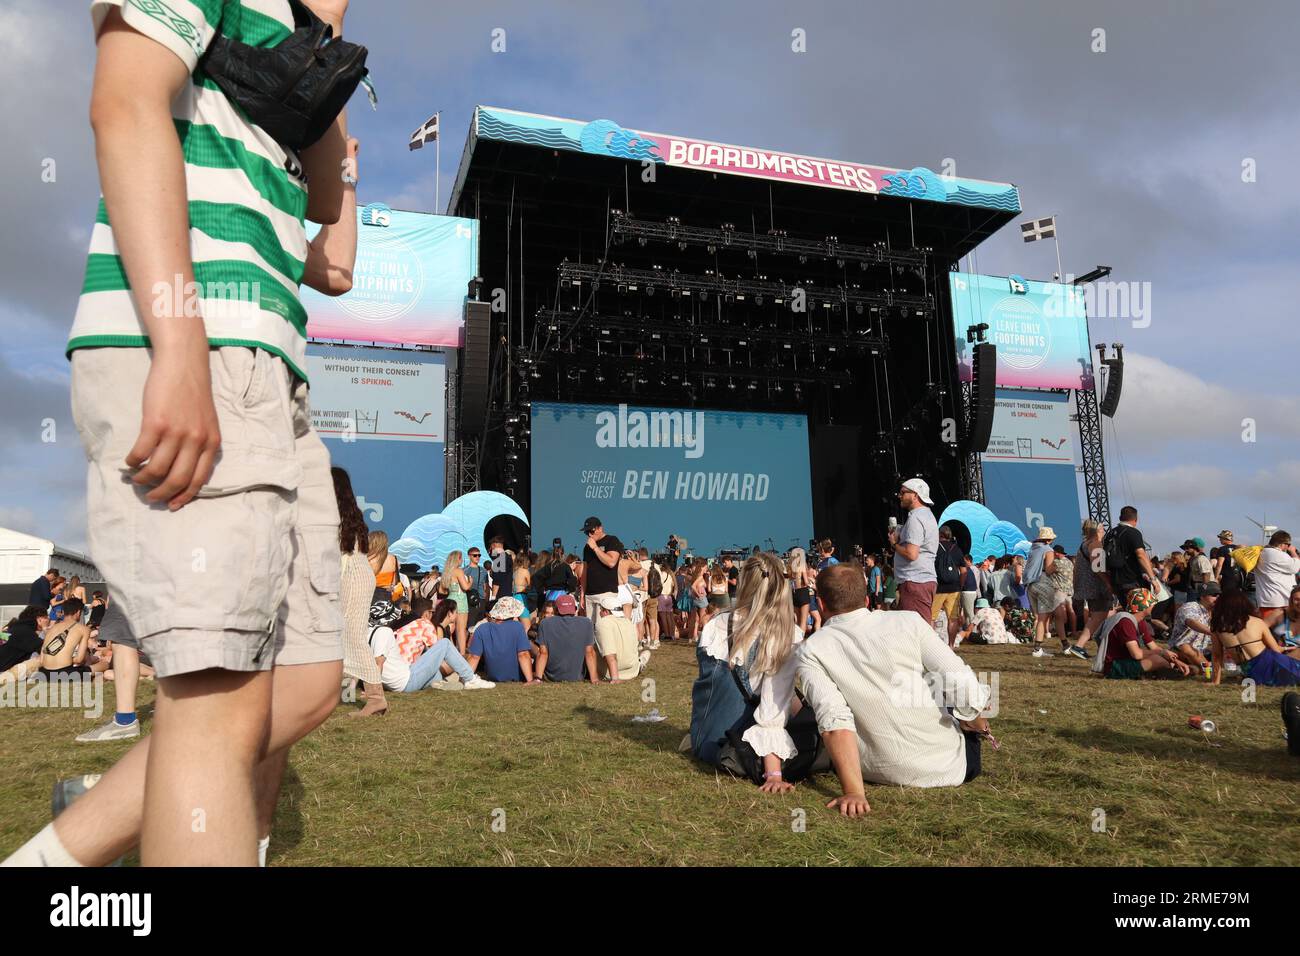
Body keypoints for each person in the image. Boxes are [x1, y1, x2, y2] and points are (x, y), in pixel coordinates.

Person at [2, 0, 364, 870]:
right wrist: (180, 345)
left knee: (308, 685)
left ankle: (60, 859)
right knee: (215, 706)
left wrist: (333, 118)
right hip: (192, 343)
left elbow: (335, 255)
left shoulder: (301, 39)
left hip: (273, 378)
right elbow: (123, 101)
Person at [797, 565, 992, 815]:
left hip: (874, 769)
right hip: (951, 766)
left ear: (821, 604)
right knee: (952, 704)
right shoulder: (908, 621)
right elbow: (961, 682)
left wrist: (855, 791)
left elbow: (834, 720)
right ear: (867, 599)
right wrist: (976, 723)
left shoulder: (812, 650)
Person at [689, 551, 808, 792]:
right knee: (788, 699)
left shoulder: (715, 625)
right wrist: (773, 773)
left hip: (707, 736)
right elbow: (771, 709)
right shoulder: (788, 634)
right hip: (737, 744)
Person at [332, 467, 386, 718]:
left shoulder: (335, 515)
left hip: (352, 578)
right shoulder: (353, 515)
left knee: (352, 636)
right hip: (359, 576)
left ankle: (376, 698)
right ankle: (338, 694)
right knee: (344, 635)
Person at [369, 599, 493, 693]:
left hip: (393, 680)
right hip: (406, 678)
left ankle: (440, 683)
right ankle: (470, 679)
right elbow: (439, 654)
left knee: (436, 674)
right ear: (427, 613)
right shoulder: (422, 624)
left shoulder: (375, 634)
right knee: (444, 645)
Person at [1211, 589, 1300, 686]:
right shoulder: (1257, 622)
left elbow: (1217, 655)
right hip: (1275, 665)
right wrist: (1287, 648)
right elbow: (1276, 651)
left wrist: (1216, 681)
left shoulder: (1217, 627)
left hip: (1251, 673)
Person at [1097, 589, 1191, 679]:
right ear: (1144, 605)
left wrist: (1174, 660)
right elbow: (1136, 654)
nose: (1154, 605)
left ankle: (1167, 671)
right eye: (1151, 603)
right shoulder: (1125, 622)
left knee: (1163, 658)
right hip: (1114, 666)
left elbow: (1153, 647)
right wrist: (1162, 653)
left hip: (1127, 661)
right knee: (1157, 659)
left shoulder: (1139, 621)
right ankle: (1170, 673)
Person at [889, 477, 939, 619]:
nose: (900, 495)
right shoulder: (927, 515)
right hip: (920, 580)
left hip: (915, 581)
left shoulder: (915, 519)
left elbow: (911, 554)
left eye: (903, 492)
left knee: (917, 629)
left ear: (915, 495)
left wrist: (894, 544)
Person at [467, 597, 539, 683]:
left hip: (492, 677)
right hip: (516, 677)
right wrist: (530, 680)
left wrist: (467, 680)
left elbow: (474, 657)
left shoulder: (482, 628)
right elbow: (523, 655)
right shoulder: (517, 627)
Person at [1100, 505, 1161, 606]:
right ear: (1135, 519)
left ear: (1120, 518)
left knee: (1128, 613)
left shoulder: (1110, 534)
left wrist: (1109, 583)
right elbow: (1141, 555)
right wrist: (1153, 579)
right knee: (1141, 614)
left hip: (1117, 581)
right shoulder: (1133, 533)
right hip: (1133, 581)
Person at [1066, 519, 1109, 660]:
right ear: (1096, 531)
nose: (1103, 531)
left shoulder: (1084, 544)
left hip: (1087, 586)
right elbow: (1098, 568)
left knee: (1097, 617)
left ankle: (1101, 646)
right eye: (1102, 529)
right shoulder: (1095, 544)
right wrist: (1109, 583)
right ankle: (1079, 645)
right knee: (1098, 616)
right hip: (1097, 586)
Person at [535, 594, 599, 683]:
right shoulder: (586, 623)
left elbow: (543, 653)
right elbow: (590, 652)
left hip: (551, 677)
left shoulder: (545, 623)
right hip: (577, 677)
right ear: (574, 609)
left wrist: (538, 679)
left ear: (556, 610)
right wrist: (595, 679)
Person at [593, 591, 649, 682]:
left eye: (601, 610)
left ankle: (639, 662)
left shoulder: (603, 623)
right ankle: (639, 662)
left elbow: (610, 653)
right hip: (632, 670)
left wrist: (615, 678)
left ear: (606, 611)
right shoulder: (629, 622)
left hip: (608, 672)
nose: (599, 613)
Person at [1024, 527, 1062, 656]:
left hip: (1030, 585)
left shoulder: (1033, 548)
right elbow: (1049, 569)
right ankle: (1037, 649)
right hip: (1042, 582)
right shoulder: (1048, 550)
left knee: (1038, 617)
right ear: (1049, 539)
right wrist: (1057, 567)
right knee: (1042, 619)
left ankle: (1037, 647)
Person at [1169, 583, 1220, 673]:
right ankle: (1208, 671)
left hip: (1203, 651)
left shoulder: (1215, 612)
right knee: (1186, 647)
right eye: (1214, 595)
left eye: (1220, 595)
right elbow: (1191, 622)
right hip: (1181, 650)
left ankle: (1193, 668)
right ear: (1202, 596)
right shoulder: (1190, 606)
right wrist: (1212, 632)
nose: (1218, 598)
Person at [1254, 531, 1300, 628]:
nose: (1288, 547)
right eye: (1288, 545)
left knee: (1267, 631)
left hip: (1265, 599)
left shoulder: (1261, 552)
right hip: (1280, 600)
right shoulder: (1277, 554)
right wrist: (1293, 552)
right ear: (1282, 544)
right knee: (1279, 632)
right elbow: (1295, 567)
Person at [580, 518, 622, 622]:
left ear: (600, 528)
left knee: (603, 628)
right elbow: (585, 570)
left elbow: (611, 562)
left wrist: (595, 548)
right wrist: (582, 594)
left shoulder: (612, 540)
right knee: (590, 628)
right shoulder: (587, 547)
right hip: (590, 594)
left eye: (591, 531)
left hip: (606, 593)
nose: (589, 535)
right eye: (586, 532)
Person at [38, 598, 91, 677]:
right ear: (78, 612)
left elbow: (42, 660)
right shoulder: (84, 629)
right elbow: (79, 659)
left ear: (63, 612)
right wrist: (65, 659)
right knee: (104, 665)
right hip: (66, 673)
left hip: (44, 673)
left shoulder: (52, 628)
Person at [931, 525, 965, 640]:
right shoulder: (956, 549)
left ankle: (930, 644)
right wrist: (960, 585)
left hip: (939, 588)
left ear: (940, 535)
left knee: (931, 617)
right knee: (952, 618)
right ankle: (951, 645)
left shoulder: (934, 548)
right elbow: (964, 571)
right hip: (954, 589)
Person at [0, 606, 48, 683]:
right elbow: (48, 652)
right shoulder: (26, 632)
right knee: (39, 660)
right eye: (46, 618)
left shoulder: (14, 628)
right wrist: (45, 630)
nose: (48, 620)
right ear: (39, 619)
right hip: (2, 674)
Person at [439, 550, 473, 655]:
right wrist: (470, 581)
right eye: (460, 558)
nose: (462, 560)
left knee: (450, 628)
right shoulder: (459, 571)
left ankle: (451, 651)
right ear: (457, 559)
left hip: (450, 600)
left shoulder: (446, 572)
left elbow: (441, 590)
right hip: (460, 601)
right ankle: (462, 654)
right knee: (461, 629)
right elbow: (465, 587)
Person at [368, 531, 403, 604]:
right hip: (387, 598)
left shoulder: (368, 559)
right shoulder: (393, 559)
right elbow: (395, 583)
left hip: (370, 596)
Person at [464, 547, 490, 630]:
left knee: (481, 627)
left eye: (479, 555)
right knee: (470, 626)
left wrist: (486, 601)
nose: (477, 557)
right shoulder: (465, 570)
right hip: (470, 601)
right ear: (469, 556)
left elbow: (486, 586)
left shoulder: (483, 570)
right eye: (475, 555)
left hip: (482, 601)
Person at [1271, 586, 1300, 651]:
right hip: (1278, 658)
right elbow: (1258, 628)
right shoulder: (1279, 614)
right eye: (1297, 599)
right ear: (1291, 600)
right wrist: (1271, 644)